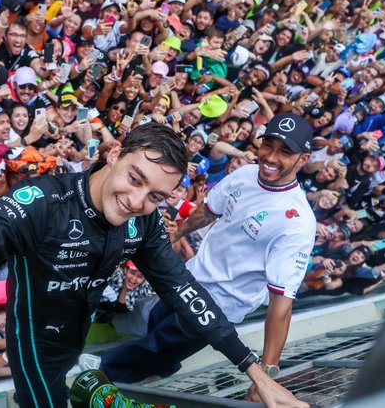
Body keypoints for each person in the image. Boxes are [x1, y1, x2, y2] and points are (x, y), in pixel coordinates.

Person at [0, 122, 306, 408]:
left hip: (78, 337)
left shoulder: (145, 222)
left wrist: (256, 371)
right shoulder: (44, 200)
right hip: (35, 346)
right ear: (114, 153)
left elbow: (186, 292)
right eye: (135, 179)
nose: (137, 202)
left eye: (155, 196)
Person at [101, 114, 316, 393]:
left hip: (221, 302)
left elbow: (281, 302)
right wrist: (176, 234)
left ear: (303, 159)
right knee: (158, 320)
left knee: (157, 346)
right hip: (191, 275)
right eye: (269, 145)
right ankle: (164, 365)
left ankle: (103, 372)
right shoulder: (246, 173)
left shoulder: (298, 222)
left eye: (285, 151)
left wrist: (266, 374)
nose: (272, 156)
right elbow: (208, 210)